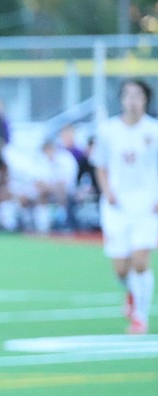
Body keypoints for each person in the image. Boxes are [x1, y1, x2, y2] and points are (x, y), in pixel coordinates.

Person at [90, 78, 158, 335]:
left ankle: (140, 316)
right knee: (121, 268)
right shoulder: (108, 131)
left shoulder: (154, 130)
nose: (132, 101)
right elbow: (100, 165)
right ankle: (131, 292)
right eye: (128, 95)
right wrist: (107, 192)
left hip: (147, 204)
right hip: (117, 205)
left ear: (146, 99)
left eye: (138, 95)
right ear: (121, 99)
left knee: (141, 261)